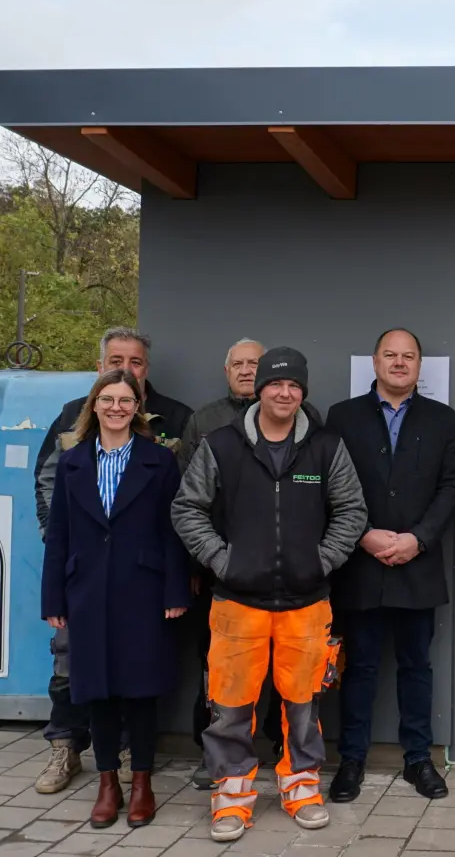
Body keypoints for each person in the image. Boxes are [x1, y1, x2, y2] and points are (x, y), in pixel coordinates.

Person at [172, 346, 368, 844]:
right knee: (231, 705)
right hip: (237, 602)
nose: (285, 393)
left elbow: (352, 510)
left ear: (303, 393)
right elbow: (187, 508)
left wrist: (322, 560)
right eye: (276, 384)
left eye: (294, 386)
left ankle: (301, 788)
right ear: (259, 389)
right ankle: (231, 798)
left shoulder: (325, 447)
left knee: (303, 705)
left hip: (307, 603)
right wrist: (222, 561)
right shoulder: (222, 444)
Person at [33, 327, 193, 796]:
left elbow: (173, 528)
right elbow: (57, 524)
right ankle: (90, 768)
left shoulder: (162, 451)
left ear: (137, 403)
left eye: (126, 399)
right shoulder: (72, 454)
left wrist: (176, 588)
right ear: (95, 399)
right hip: (85, 586)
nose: (117, 407)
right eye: (108, 399)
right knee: (86, 680)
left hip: (140, 586)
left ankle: (137, 774)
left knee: (139, 682)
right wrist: (56, 591)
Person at [325, 328, 455, 803]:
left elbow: (452, 487)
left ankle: (418, 759)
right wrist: (362, 534)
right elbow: (329, 484)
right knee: (359, 668)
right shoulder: (342, 417)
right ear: (375, 361)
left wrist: (418, 540)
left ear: (419, 366)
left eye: (408, 356)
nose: (399, 362)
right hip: (360, 565)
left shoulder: (441, 419)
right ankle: (351, 761)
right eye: (391, 355)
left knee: (416, 667)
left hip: (416, 566)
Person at [175, 338, 285, 791]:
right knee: (218, 667)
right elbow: (184, 496)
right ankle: (214, 754)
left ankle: (283, 748)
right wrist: (200, 563)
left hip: (285, 573)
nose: (245, 370)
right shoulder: (204, 421)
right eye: (237, 364)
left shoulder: (301, 418)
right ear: (226, 372)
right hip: (220, 571)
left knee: (284, 667)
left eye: (253, 363)